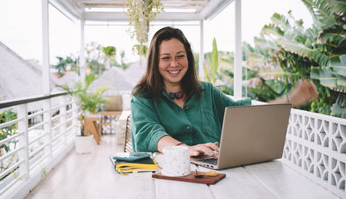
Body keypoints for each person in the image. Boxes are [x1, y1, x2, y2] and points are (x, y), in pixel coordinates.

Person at [130, 27, 318, 159]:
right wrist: (185, 149)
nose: (174, 64)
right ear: (154, 62)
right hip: (165, 177)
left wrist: (290, 100)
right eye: (166, 58)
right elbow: (150, 133)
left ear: (188, 57)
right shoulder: (142, 96)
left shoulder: (207, 91)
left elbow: (243, 114)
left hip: (215, 174)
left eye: (180, 56)